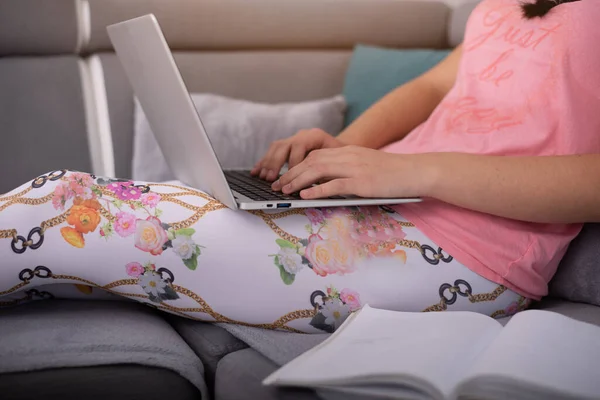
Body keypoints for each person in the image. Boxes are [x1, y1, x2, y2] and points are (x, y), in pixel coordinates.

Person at [0, 0, 597, 333]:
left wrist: (414, 172)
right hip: (381, 210)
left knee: (63, 207)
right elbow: (435, 86)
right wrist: (342, 149)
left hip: (470, 258)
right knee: (63, 209)